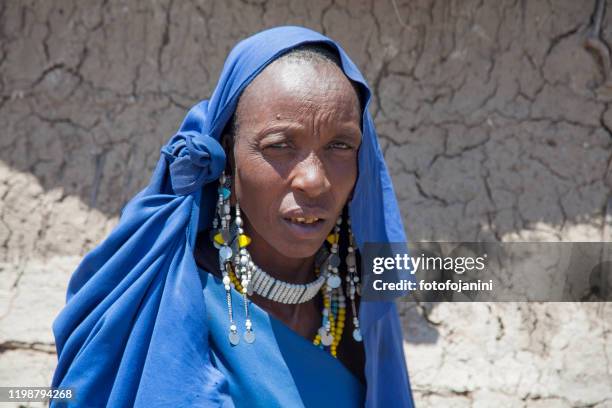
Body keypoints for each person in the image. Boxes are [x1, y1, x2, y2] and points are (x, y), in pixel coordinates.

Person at [51, 26, 415, 407]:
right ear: (229, 154)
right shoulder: (161, 294)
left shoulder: (364, 308)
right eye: (279, 145)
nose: (314, 180)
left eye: (340, 146)